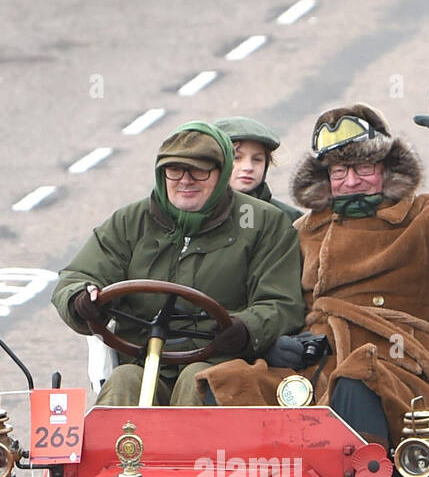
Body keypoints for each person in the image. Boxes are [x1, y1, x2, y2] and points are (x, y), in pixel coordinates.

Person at [198, 83, 429, 446]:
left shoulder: (428, 217)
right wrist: (272, 343)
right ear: (325, 179)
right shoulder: (304, 231)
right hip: (314, 368)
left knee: (356, 381)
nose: (351, 182)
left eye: (363, 167)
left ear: (387, 167)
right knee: (228, 384)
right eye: (338, 172)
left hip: (401, 373)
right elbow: (277, 304)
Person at [52, 120, 304, 406]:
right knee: (123, 380)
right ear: (162, 174)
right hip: (140, 357)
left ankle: (195, 452)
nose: (185, 180)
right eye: (174, 170)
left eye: (199, 170)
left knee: (199, 379)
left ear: (221, 175)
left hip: (223, 361)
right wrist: (81, 298)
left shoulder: (264, 222)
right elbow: (76, 276)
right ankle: (119, 451)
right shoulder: (130, 221)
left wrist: (246, 328)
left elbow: (281, 303)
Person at [214, 117, 301, 222]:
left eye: (257, 159)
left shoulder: (289, 220)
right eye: (236, 158)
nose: (248, 167)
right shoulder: (192, 216)